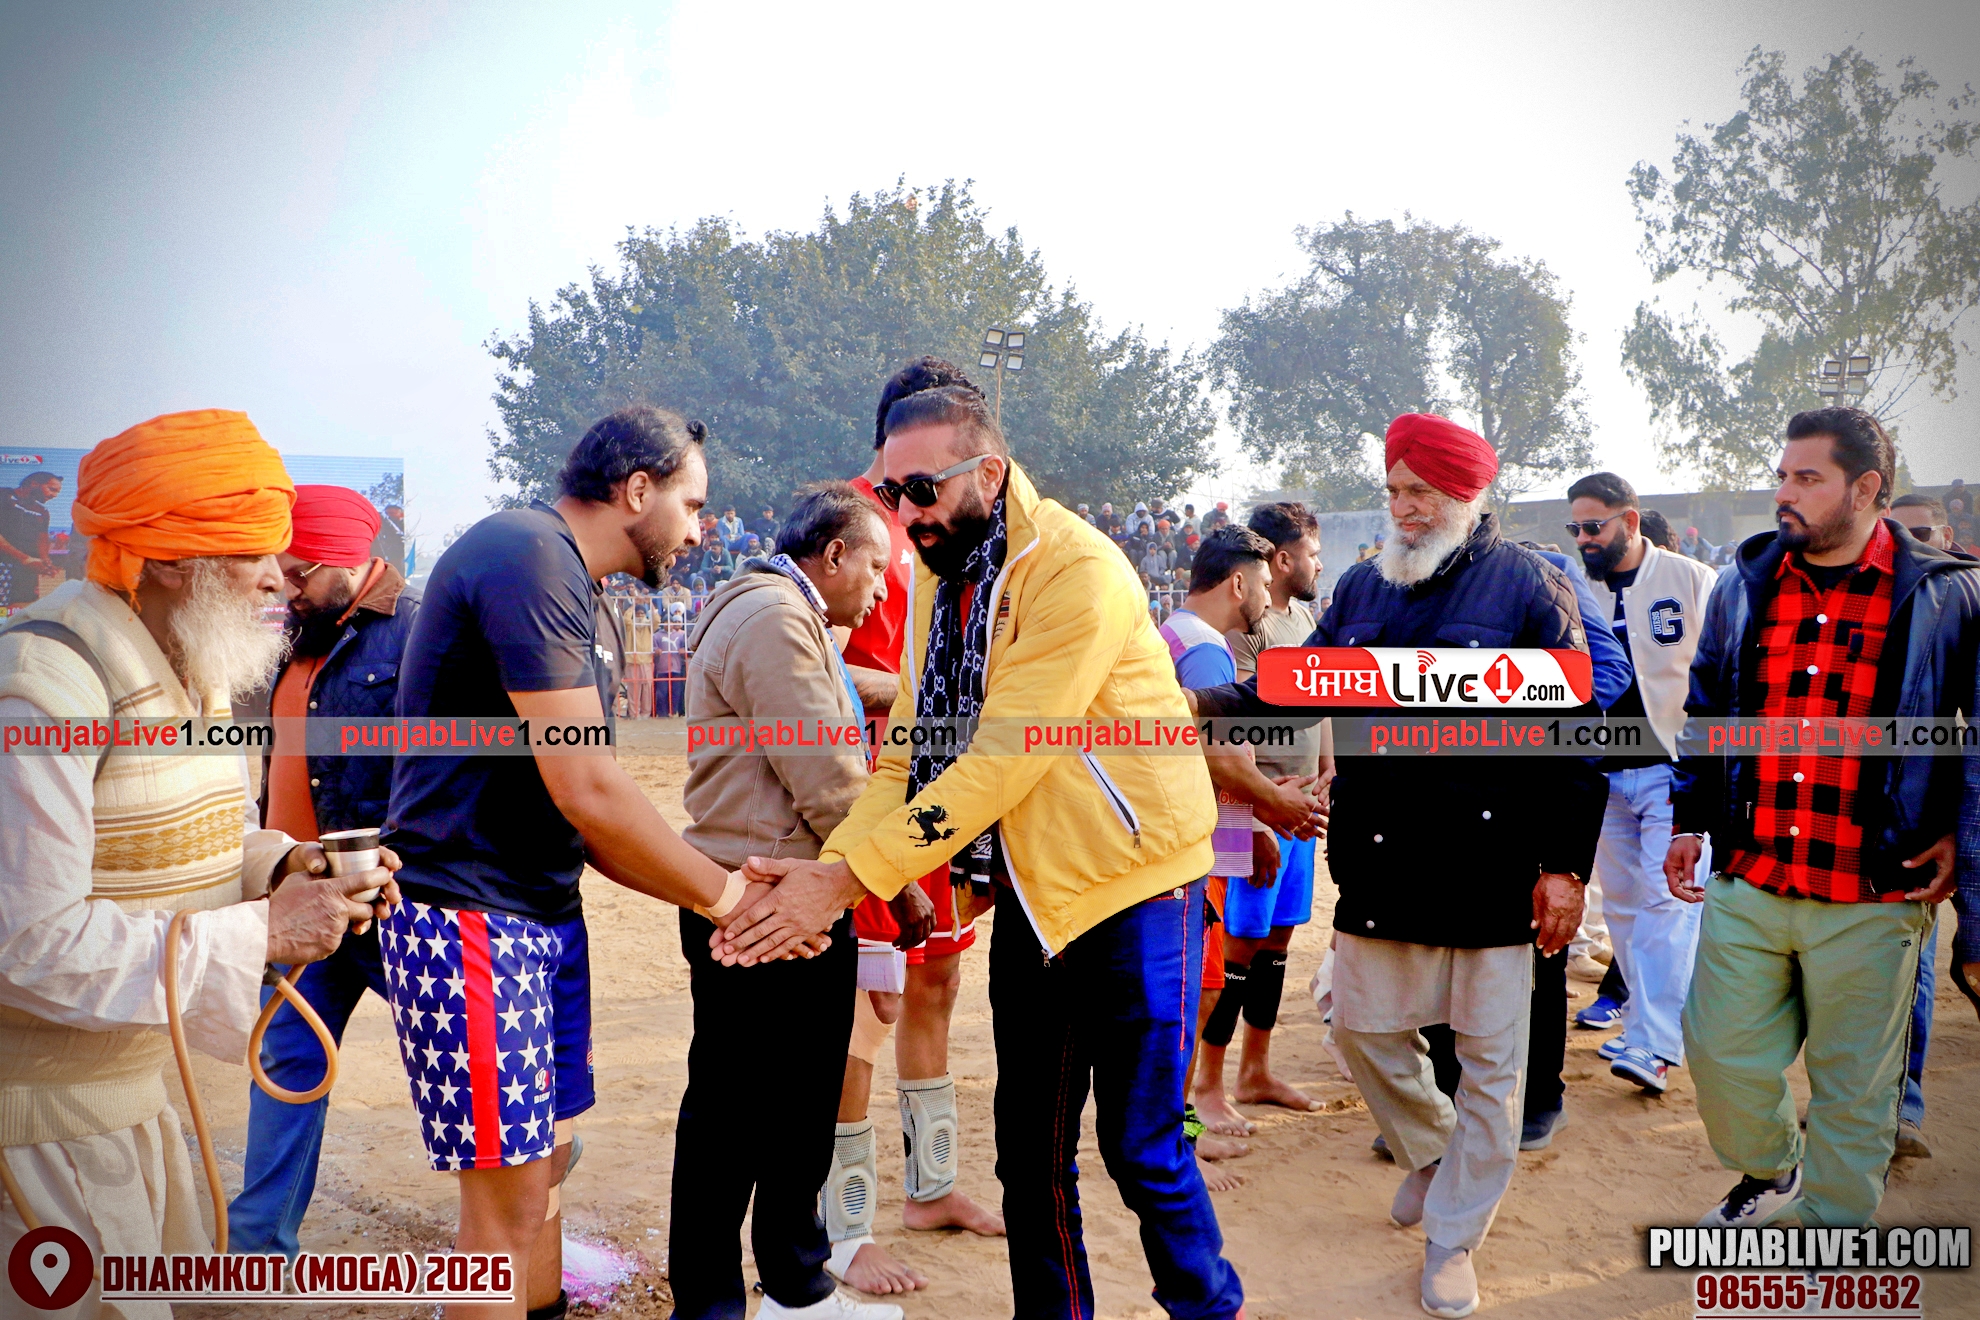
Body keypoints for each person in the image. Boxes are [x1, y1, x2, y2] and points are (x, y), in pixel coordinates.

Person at [718, 385, 1249, 1320]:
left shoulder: (1079, 569)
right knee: (1028, 1157)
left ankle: (1210, 1309)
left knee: (1142, 1149)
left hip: (1136, 890)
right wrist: (833, 869)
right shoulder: (942, 572)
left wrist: (845, 881)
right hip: (1035, 893)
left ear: (989, 474)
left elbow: (1004, 757)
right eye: (894, 493)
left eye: (923, 489)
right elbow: (910, 753)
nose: (907, 514)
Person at [1189, 414, 1604, 1318]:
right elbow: (1285, 688)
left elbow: (1576, 737)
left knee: (1491, 1069)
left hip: (1494, 869)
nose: (1404, 508)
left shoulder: (1530, 586)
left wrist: (1565, 867)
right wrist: (1192, 703)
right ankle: (1433, 1152)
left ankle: (1454, 1240)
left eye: (1421, 492)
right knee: (1359, 1031)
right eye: (1394, 492)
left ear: (1467, 496)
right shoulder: (1364, 587)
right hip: (1382, 862)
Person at [0, 412, 395, 1312]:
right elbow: (26, 942)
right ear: (173, 560)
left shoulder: (189, 670)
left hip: (132, 1108)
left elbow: (193, 837)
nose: (277, 576)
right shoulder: (41, 686)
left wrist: (283, 866)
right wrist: (264, 931)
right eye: (253, 552)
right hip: (35, 1137)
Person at [384, 406, 745, 1320]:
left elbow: (587, 816)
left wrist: (712, 888)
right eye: (693, 505)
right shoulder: (529, 555)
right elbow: (587, 787)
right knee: (503, 1211)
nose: (700, 531)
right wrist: (730, 898)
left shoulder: (575, 585)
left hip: (536, 912)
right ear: (637, 490)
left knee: (541, 1176)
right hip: (470, 916)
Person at [1669, 408, 1977, 1233]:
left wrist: (1959, 834)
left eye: (1808, 478)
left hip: (1875, 887)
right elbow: (1706, 711)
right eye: (1782, 476)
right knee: (1720, 1054)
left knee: (1854, 1088)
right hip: (1753, 871)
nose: (1785, 493)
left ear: (1865, 488)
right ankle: (1773, 1170)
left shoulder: (1945, 594)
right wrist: (1690, 820)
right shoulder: (1743, 585)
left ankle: (1830, 1231)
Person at [676, 484, 912, 1320]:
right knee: (743, 1114)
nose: (881, 589)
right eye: (876, 568)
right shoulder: (776, 618)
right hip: (773, 899)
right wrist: (898, 883)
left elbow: (827, 699)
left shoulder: (774, 609)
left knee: (784, 1108)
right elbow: (829, 778)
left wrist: (901, 689)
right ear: (835, 555)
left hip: (776, 889)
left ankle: (791, 1285)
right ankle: (728, 1299)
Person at [825, 357, 1006, 1297]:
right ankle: (845, 1228)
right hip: (873, 793)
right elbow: (810, 659)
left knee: (937, 983)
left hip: (950, 801)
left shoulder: (967, 528)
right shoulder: (849, 521)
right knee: (869, 1004)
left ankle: (931, 1189)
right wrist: (915, 698)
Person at [229, 484, 423, 1256]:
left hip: (394, 899)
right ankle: (256, 1250)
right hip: (296, 897)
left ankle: (545, 1153)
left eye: (299, 571)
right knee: (286, 1062)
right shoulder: (291, 635)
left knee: (468, 1057)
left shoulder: (422, 635)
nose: (286, 586)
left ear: (350, 560)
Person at [1564, 472, 1719, 1103]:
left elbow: (1724, 675)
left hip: (1674, 770)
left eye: (1593, 526)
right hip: (1603, 773)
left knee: (1670, 903)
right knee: (1625, 910)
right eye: (1575, 528)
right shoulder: (1575, 590)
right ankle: (1644, 1027)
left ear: (1629, 521)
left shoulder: (1693, 579)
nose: (1583, 538)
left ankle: (1654, 1046)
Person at [1158, 525, 1292, 1193]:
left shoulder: (1173, 634)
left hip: (1181, 843)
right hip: (1196, 852)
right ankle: (1177, 1139)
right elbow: (1221, 753)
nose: (1267, 596)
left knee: (1192, 990)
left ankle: (1173, 1132)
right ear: (1238, 583)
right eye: (1263, 583)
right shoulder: (1207, 651)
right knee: (1200, 992)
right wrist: (1273, 804)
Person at [1195, 503, 1328, 1135]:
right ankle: (1209, 1083)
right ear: (1281, 558)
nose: (1318, 565)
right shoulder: (1244, 632)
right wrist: (1256, 807)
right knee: (1237, 947)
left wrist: (1328, 769)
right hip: (1255, 807)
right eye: (1311, 554)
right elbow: (1234, 722)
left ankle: (1257, 1068)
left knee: (1278, 939)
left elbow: (1324, 701)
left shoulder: (1307, 620)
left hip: (1300, 804)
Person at [0, 470, 63, 609]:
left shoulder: (42, 511)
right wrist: (25, 559)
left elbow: (42, 538)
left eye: (57, 492)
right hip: (4, 564)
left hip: (25, 571)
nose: (54, 495)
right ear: (34, 483)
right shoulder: (3, 495)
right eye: (52, 489)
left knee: (21, 608)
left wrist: (45, 561)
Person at [622, 598, 656, 718]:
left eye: (642, 613)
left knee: (647, 689)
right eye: (637, 614)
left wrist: (650, 604)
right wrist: (634, 605)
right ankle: (634, 714)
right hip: (632, 661)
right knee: (633, 690)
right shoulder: (630, 626)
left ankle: (646, 713)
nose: (640, 616)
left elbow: (656, 620)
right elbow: (626, 619)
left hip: (646, 660)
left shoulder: (648, 626)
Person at [370, 501, 407, 574]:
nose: (389, 516)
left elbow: (399, 536)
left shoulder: (403, 527)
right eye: (387, 513)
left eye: (392, 513)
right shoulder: (384, 526)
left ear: (401, 514)